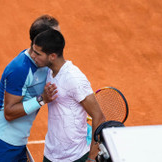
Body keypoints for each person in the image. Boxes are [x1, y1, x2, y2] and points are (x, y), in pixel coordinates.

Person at [0, 15, 60, 162]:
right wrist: (42, 99)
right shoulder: (20, 69)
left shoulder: (44, 64)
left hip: (16, 146)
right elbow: (9, 112)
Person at [31, 29, 106, 162]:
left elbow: (98, 116)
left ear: (52, 56)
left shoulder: (74, 78)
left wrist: (92, 157)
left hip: (75, 157)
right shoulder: (48, 71)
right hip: (51, 154)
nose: (33, 55)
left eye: (38, 53)